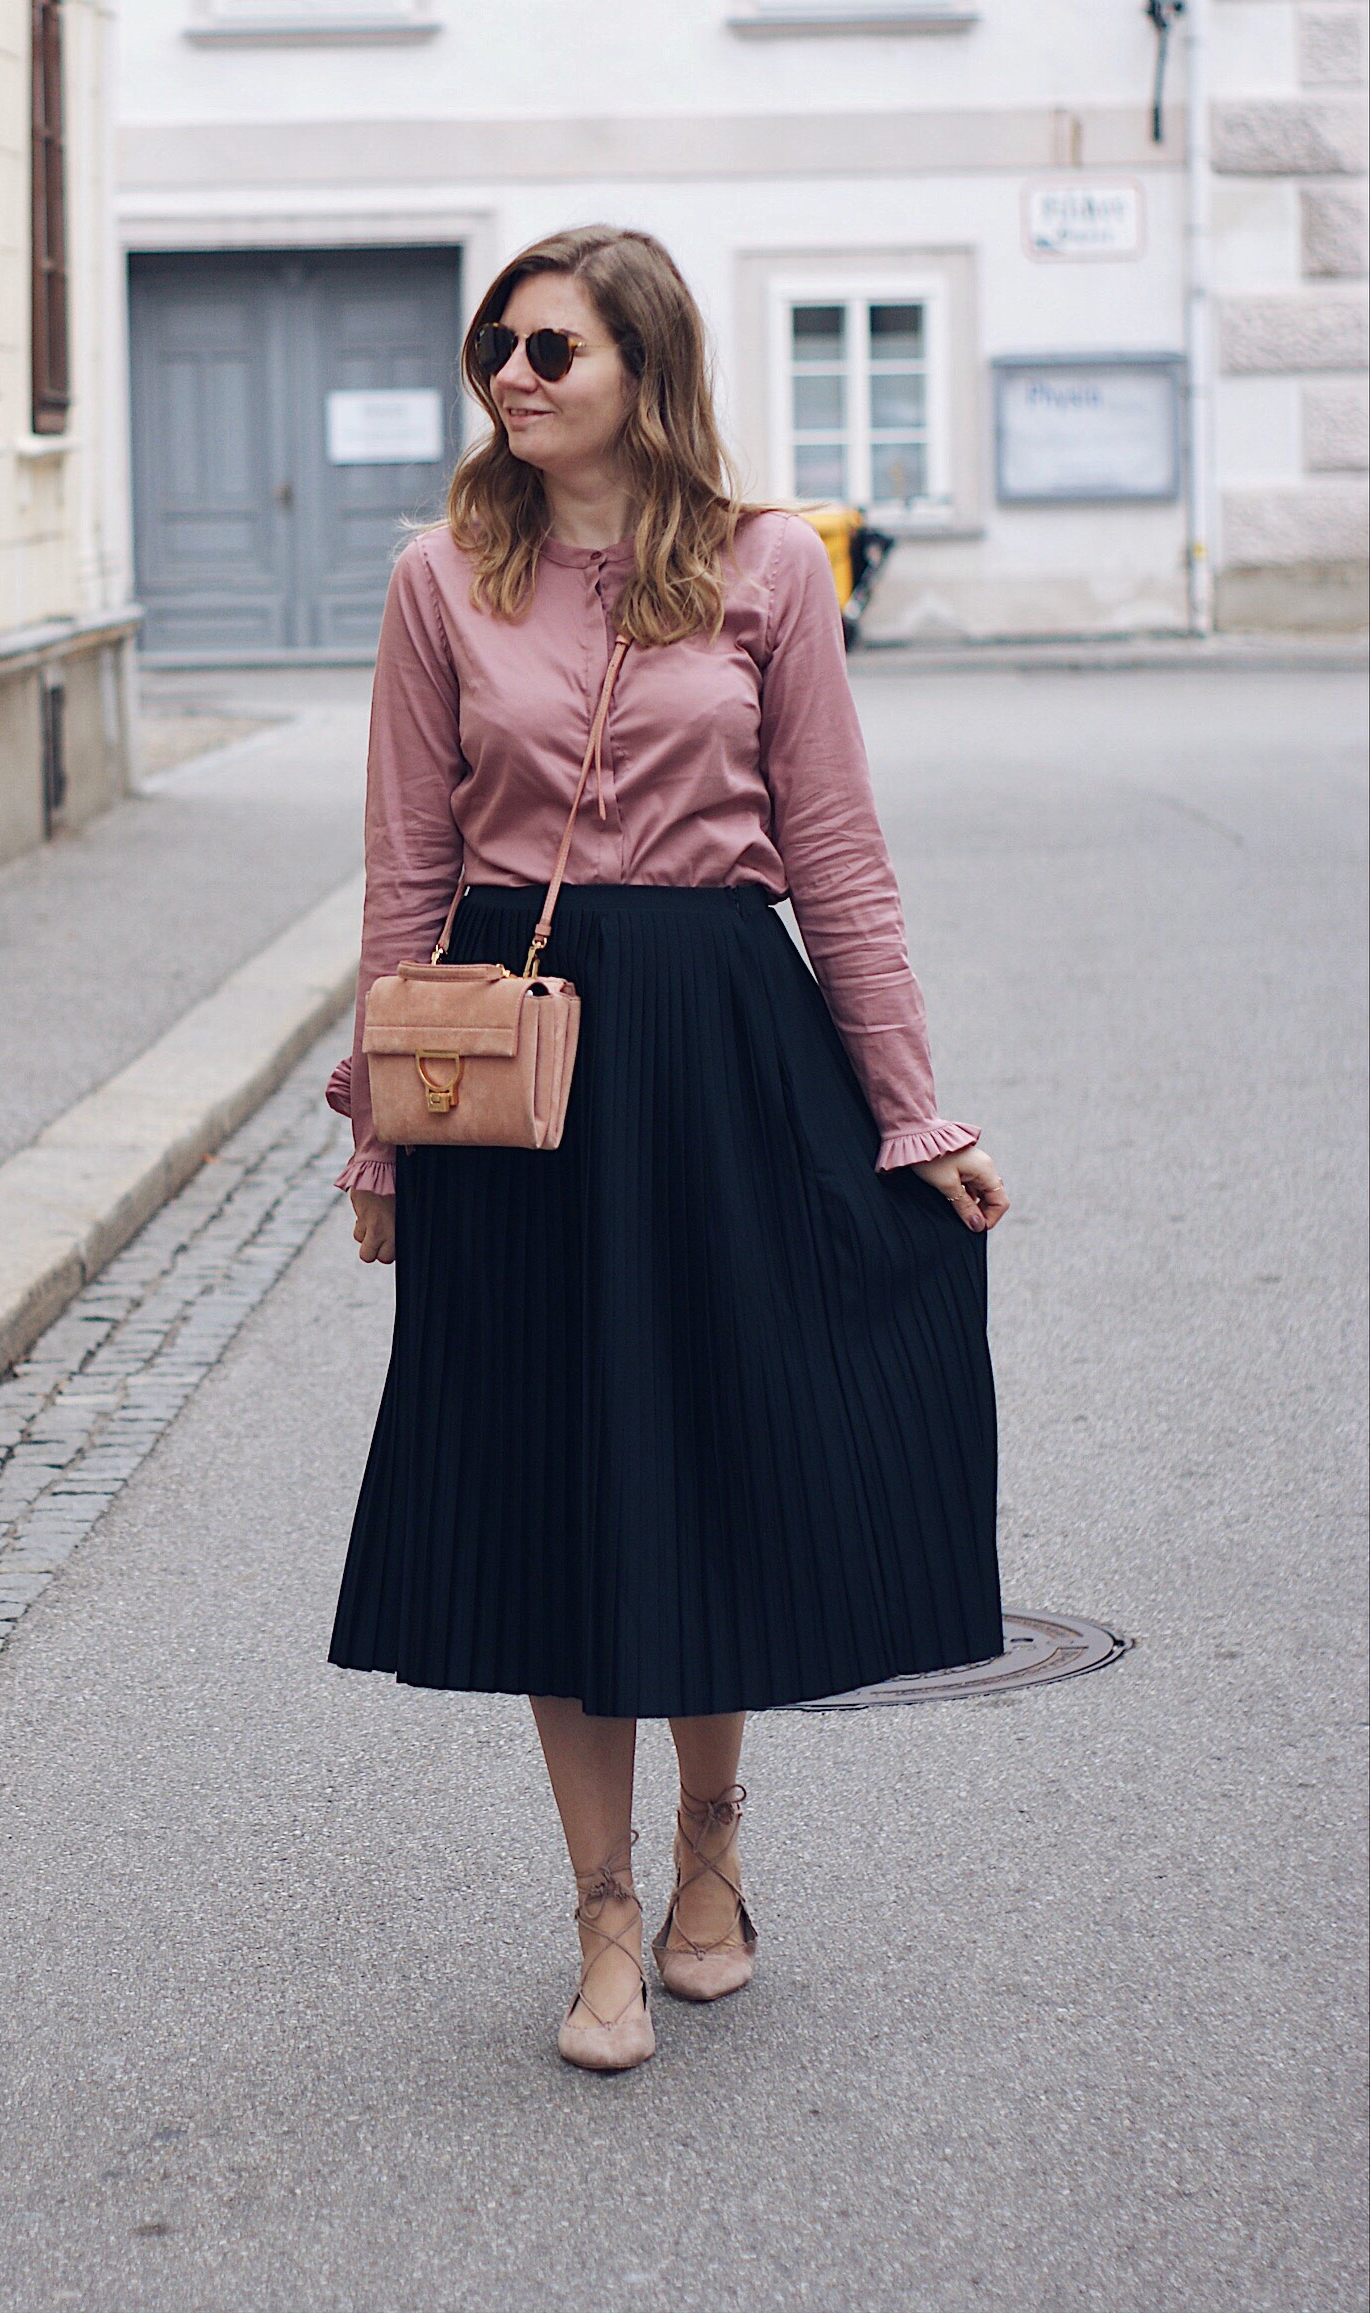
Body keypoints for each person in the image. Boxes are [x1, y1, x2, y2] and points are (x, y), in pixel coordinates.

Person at [326, 226, 1009, 2076]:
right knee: (553, 1478)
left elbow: (839, 858)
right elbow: (404, 863)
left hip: (721, 1041)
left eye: (552, 345)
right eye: (496, 343)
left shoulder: (766, 568)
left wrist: (910, 1109)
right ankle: (601, 1910)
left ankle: (713, 1846)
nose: (514, 373)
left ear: (644, 368)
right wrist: (383, 1134)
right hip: (517, 1063)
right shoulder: (438, 576)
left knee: (712, 1448)